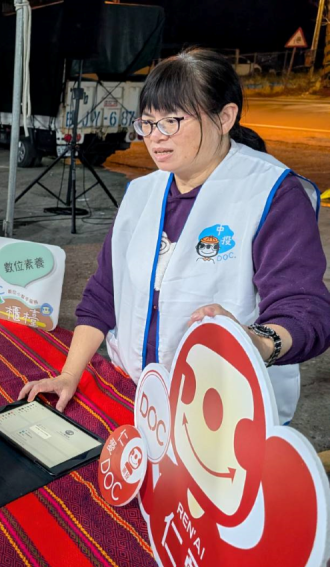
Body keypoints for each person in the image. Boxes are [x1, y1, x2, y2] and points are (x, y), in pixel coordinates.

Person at [21, 49, 330, 425]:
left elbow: (307, 310)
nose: (155, 138)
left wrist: (258, 341)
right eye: (147, 123)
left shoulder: (270, 195)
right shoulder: (142, 192)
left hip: (225, 415)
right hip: (135, 395)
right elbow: (104, 293)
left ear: (225, 117)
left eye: (172, 121)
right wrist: (69, 375)